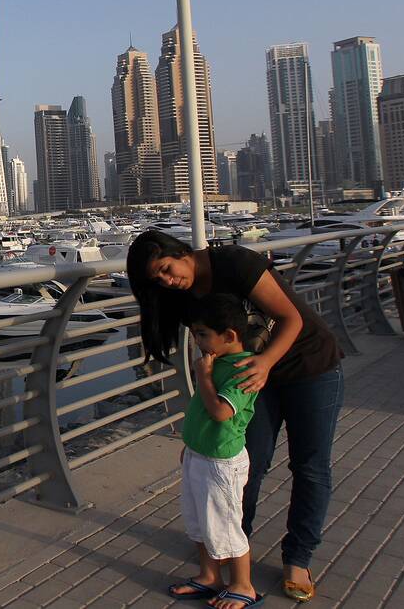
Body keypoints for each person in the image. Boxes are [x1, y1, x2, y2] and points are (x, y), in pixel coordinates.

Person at [127, 230, 343, 603]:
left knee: (309, 466)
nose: (165, 280)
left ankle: (297, 558)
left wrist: (265, 362)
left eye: (165, 268)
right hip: (248, 382)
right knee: (247, 463)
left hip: (308, 365)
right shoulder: (182, 296)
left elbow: (290, 318)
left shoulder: (234, 263)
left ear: (181, 252)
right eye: (155, 279)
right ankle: (228, 547)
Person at [167, 294, 261, 608]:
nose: (197, 341)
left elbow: (221, 411)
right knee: (199, 521)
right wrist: (191, 446)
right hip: (199, 454)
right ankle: (210, 576)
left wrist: (203, 377)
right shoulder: (217, 361)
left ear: (230, 336)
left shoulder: (244, 370)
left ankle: (243, 585)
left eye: (203, 334)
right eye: (195, 334)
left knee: (225, 523)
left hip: (221, 462)